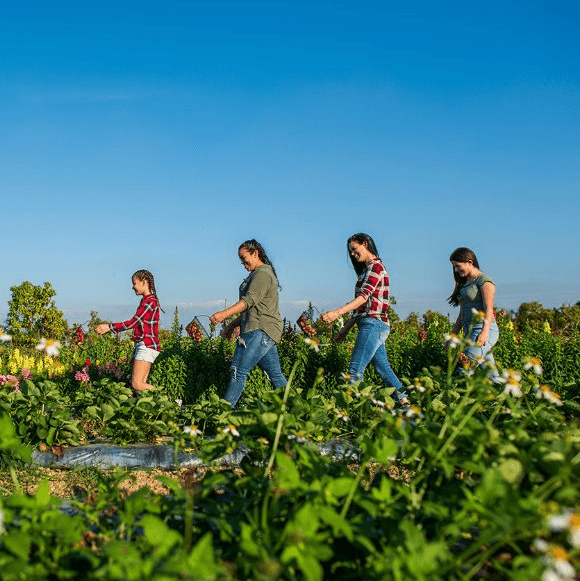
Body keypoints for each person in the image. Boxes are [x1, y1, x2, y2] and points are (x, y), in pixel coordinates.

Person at [321, 233, 409, 406]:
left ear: (366, 244)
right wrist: (344, 330)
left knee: (354, 371)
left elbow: (363, 297)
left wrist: (337, 313)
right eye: (351, 252)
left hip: (373, 324)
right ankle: (406, 403)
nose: (352, 254)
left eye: (354, 249)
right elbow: (360, 309)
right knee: (383, 369)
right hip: (372, 324)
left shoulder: (375, 267)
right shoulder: (367, 270)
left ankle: (349, 411)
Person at [209, 239, 287, 407]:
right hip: (265, 330)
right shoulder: (258, 274)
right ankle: (298, 412)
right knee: (276, 376)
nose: (243, 263)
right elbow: (252, 309)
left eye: (244, 258)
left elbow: (249, 301)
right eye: (240, 260)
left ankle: (221, 416)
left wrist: (224, 314)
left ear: (255, 253)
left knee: (238, 370)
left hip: (259, 330)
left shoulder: (263, 274)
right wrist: (231, 326)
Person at [95, 269, 161, 391]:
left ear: (144, 282)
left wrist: (108, 327)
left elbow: (133, 323)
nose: (133, 287)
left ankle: (169, 401)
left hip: (147, 345)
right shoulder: (146, 301)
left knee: (137, 384)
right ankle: (156, 406)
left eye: (134, 283)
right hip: (145, 345)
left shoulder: (149, 302)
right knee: (141, 385)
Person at [448, 247, 500, 381]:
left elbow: (489, 308)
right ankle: (507, 399)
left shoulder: (484, 281)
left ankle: (454, 399)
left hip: (481, 330)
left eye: (458, 266)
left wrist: (484, 332)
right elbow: (462, 312)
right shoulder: (465, 284)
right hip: (469, 330)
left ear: (470, 262)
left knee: (465, 369)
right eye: (454, 267)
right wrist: (453, 334)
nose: (456, 270)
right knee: (490, 374)